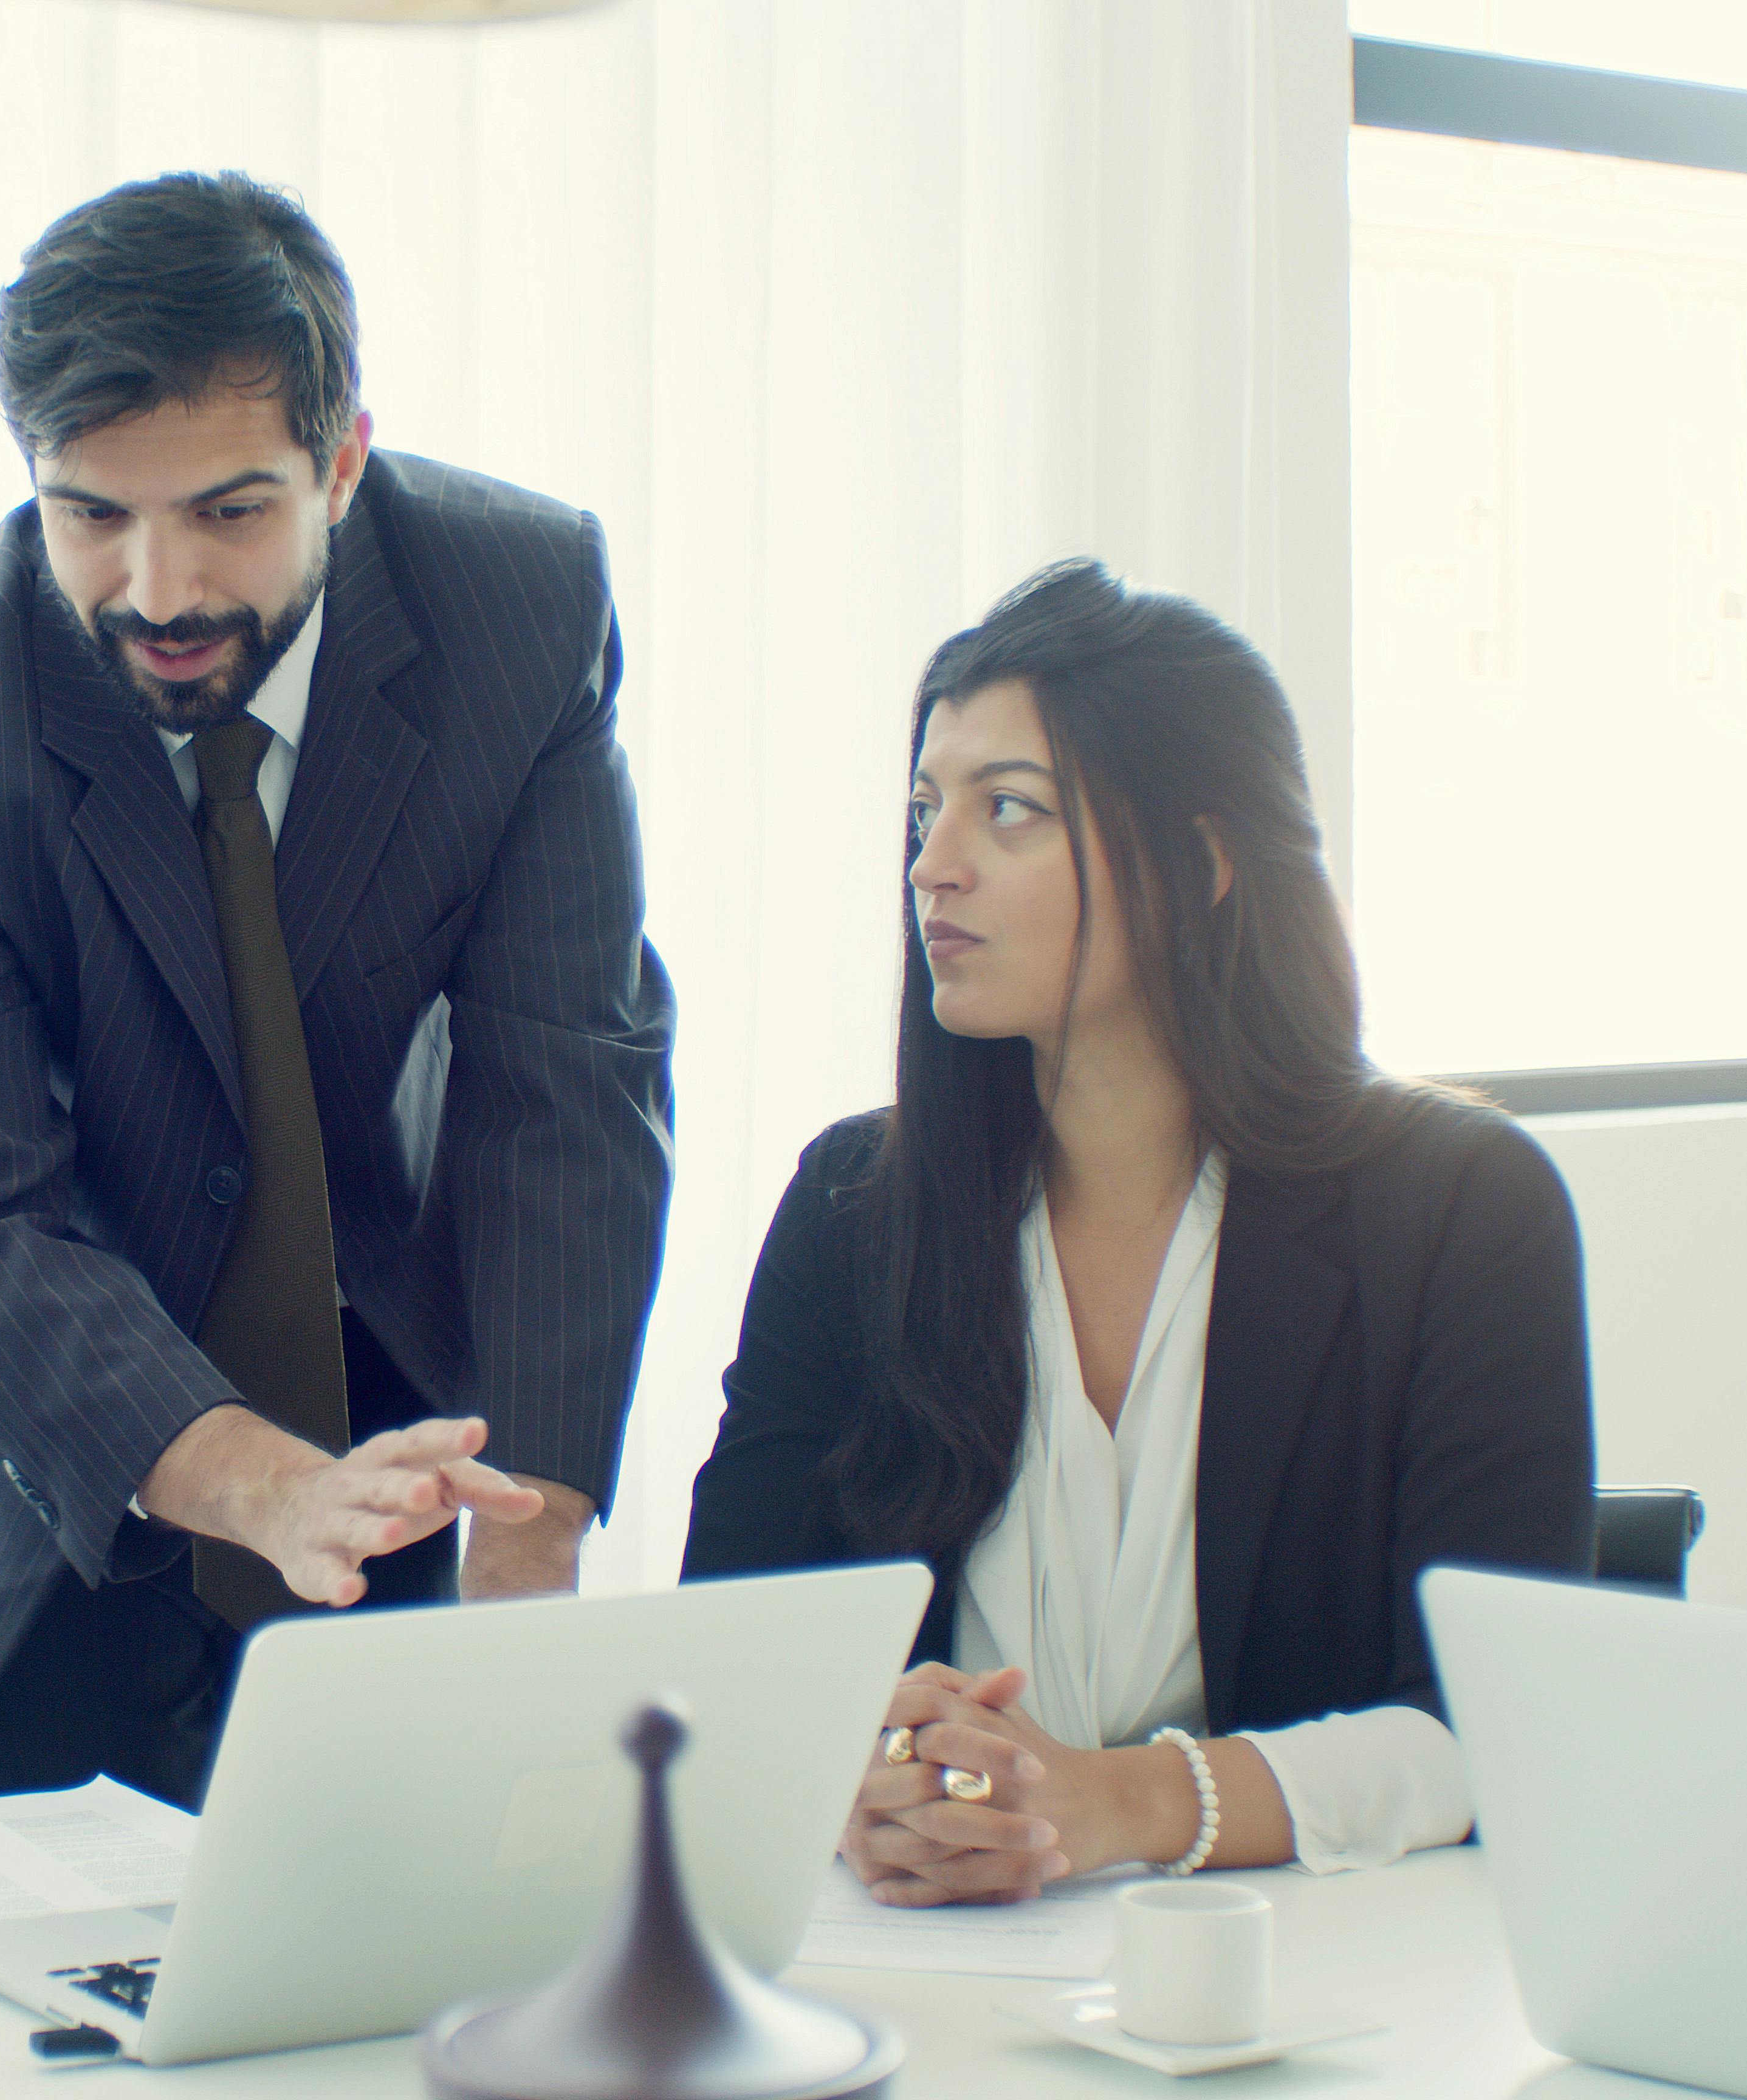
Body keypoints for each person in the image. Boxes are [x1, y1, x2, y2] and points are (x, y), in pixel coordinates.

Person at [0, 171, 676, 1807]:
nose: (162, 590)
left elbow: (569, 1085)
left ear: (343, 460)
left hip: (396, 1427)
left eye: (232, 512)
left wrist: (528, 1559)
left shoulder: (518, 606)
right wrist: (254, 1488)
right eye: (93, 515)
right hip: (51, 1468)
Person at [682, 559, 1593, 1902]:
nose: (931, 868)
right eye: (925, 812)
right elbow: (731, 1655)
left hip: (1325, 1977)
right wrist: (864, 1769)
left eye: (1010, 812)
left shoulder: (1461, 1209)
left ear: (1203, 861)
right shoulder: (851, 1209)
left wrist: (1120, 1802)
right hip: (931, 1966)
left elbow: (1487, 1726)